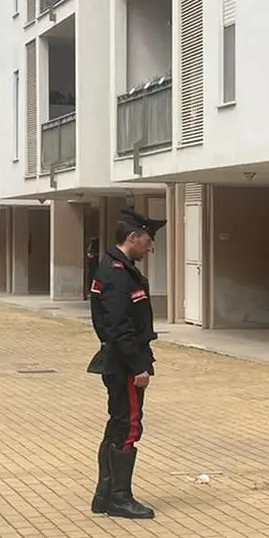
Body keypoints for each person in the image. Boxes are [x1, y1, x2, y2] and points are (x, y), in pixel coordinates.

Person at [88, 208, 166, 519]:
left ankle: (104, 494)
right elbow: (119, 327)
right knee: (129, 426)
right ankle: (120, 498)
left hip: (119, 358)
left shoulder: (115, 268)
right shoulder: (117, 274)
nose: (150, 247)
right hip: (124, 363)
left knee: (117, 424)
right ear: (133, 237)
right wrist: (138, 366)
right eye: (148, 240)